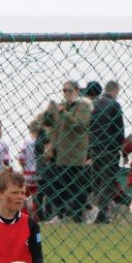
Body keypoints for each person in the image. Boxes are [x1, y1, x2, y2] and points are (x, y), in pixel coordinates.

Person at [44, 80, 92, 224]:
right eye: (64, 90)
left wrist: (63, 113)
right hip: (61, 154)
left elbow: (79, 125)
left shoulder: (83, 106)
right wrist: (49, 112)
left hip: (76, 155)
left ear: (77, 91)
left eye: (69, 90)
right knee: (57, 186)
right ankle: (59, 215)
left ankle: (83, 213)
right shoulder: (62, 106)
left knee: (77, 188)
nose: (66, 93)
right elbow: (51, 125)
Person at [86, 80, 125, 224]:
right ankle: (99, 213)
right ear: (115, 90)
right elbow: (119, 130)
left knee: (97, 181)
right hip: (110, 148)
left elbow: (88, 127)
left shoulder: (94, 104)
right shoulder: (114, 105)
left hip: (95, 148)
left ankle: (98, 213)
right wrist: (121, 148)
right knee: (108, 182)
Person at [18, 121, 40, 206]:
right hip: (39, 172)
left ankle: (25, 212)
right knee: (38, 195)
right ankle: (37, 211)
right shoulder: (42, 141)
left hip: (28, 173)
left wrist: (23, 167)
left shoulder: (26, 142)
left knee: (24, 195)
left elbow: (21, 159)